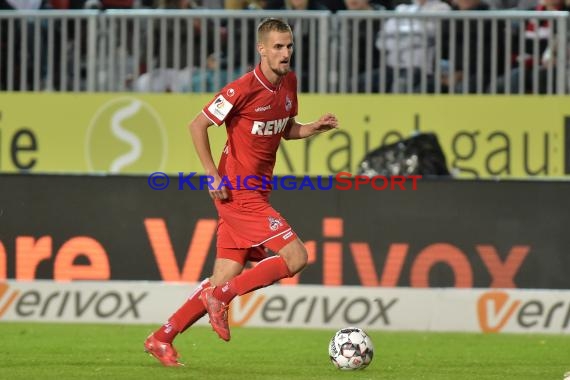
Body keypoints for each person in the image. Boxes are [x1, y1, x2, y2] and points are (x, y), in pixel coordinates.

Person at [143, 17, 339, 367]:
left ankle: (162, 337)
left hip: (258, 193)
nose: (285, 53)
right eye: (277, 47)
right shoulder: (241, 89)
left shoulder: (289, 82)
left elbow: (285, 128)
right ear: (261, 49)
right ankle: (222, 297)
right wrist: (210, 174)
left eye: (289, 46)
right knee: (296, 258)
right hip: (237, 192)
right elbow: (197, 125)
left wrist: (312, 128)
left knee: (223, 276)